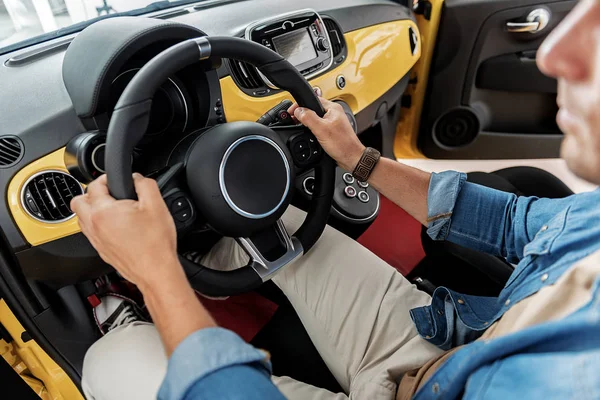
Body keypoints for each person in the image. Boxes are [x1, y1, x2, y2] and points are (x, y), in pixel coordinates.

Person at [76, 1, 600, 399]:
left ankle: (131, 321)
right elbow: (513, 220)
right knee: (264, 230)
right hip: (452, 341)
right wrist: (358, 158)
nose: (554, 52)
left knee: (110, 358)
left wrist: (155, 271)